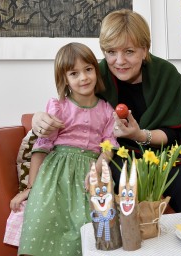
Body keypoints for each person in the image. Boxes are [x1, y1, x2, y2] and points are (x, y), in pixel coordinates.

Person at [31, 9, 181, 213]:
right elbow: (69, 107)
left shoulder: (167, 74)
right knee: (112, 176)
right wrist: (37, 119)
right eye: (111, 52)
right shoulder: (96, 73)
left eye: (129, 52)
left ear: (144, 49)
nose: (119, 61)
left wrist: (139, 135)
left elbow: (173, 134)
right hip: (116, 153)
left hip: (162, 152)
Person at [13, 42, 118, 255]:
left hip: (90, 171)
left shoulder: (107, 110)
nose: (83, 78)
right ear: (65, 79)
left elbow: (108, 147)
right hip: (55, 175)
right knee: (42, 215)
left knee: (87, 221)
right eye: (74, 73)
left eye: (88, 70)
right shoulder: (58, 107)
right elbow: (42, 147)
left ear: (96, 72)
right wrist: (30, 189)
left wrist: (96, 172)